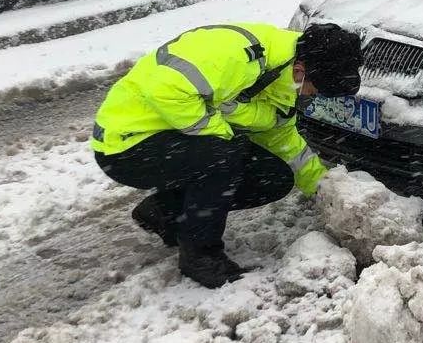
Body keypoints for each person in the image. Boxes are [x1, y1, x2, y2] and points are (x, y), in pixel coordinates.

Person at [92, 22, 362, 288]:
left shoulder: (283, 74)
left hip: (172, 138)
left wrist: (324, 189)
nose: (311, 96)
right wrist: (225, 135)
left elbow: (281, 137)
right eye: (313, 90)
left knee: (275, 176)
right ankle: (200, 256)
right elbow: (167, 91)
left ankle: (166, 212)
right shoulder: (239, 54)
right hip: (126, 144)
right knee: (226, 156)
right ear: (301, 71)